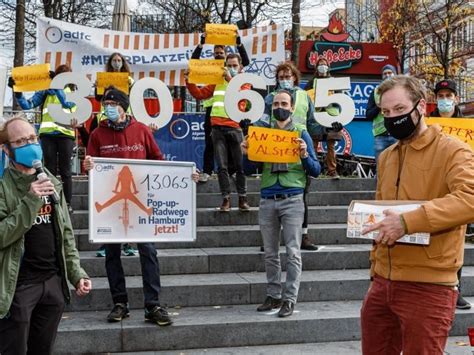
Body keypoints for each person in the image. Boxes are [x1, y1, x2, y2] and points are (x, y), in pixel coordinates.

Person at [360, 75, 474, 354]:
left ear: (421, 106)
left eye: (399, 110)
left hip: (429, 287)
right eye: (386, 112)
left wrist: (407, 221)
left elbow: (470, 197)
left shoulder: (453, 150)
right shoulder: (387, 156)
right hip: (382, 282)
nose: (392, 118)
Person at [84, 88, 198, 326]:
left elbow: (159, 161)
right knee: (112, 254)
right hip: (111, 207)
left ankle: (152, 304)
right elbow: (92, 170)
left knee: (148, 251)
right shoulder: (97, 134)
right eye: (106, 103)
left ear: (124, 106)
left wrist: (186, 176)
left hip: (143, 200)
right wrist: (87, 166)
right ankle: (120, 303)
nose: (109, 107)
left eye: (113, 103)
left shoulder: (141, 130)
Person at [0, 115, 91, 354]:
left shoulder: (51, 181)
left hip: (52, 283)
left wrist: (75, 273)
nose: (30, 145)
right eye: (20, 142)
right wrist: (30, 201)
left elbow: (65, 233)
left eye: (32, 138)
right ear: (6, 149)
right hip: (17, 286)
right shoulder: (2, 188)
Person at [241, 90, 321, 317]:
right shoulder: (262, 135)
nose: (280, 107)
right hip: (267, 198)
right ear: (271, 107)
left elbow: (316, 170)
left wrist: (305, 155)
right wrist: (246, 154)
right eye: (276, 103)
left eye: (284, 103)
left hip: (293, 198)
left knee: (293, 252)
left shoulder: (301, 133)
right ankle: (273, 295)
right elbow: (249, 170)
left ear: (292, 107)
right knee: (270, 252)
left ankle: (289, 299)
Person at [256, 61, 328, 250]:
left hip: (299, 144)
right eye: (281, 77)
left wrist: (326, 130)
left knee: (301, 194)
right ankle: (270, 239)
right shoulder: (271, 98)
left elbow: (312, 122)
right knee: (273, 191)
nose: (284, 80)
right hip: (275, 146)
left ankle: (303, 236)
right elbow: (263, 121)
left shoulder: (304, 96)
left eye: (287, 77)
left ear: (295, 77)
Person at [186, 53, 250, 212]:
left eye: (235, 65)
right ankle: (226, 199)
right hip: (217, 128)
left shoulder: (244, 83)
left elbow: (244, 97)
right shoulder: (216, 82)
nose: (231, 68)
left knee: (239, 166)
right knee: (222, 166)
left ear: (240, 67)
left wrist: (229, 78)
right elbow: (199, 94)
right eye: (229, 65)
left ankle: (242, 198)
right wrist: (189, 80)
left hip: (235, 127)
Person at [10, 64, 76, 213]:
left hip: (65, 134)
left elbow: (67, 105)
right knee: (48, 170)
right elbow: (28, 105)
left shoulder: (72, 91)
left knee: (66, 171)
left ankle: (68, 203)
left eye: (66, 76)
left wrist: (57, 88)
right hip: (47, 135)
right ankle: (51, 201)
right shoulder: (46, 91)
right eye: (60, 76)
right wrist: (18, 92)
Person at [429, 79, 470, 310]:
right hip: (433, 183)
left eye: (449, 95)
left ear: (456, 98)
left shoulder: (467, 126)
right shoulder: (427, 123)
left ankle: (455, 289)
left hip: (458, 188)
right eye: (441, 95)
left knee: (456, 243)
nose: (445, 99)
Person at [191, 33, 250, 183]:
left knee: (233, 145)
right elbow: (194, 63)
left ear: (224, 55)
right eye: (216, 53)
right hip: (213, 110)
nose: (218, 55)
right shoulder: (212, 68)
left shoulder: (234, 74)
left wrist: (238, 44)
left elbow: (245, 62)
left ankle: (233, 172)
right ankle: (208, 170)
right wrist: (201, 44)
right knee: (210, 143)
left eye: (220, 53)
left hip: (233, 114)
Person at [304, 57, 344, 178]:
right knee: (313, 144)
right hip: (315, 117)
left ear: (328, 67)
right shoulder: (311, 83)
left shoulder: (333, 82)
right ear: (316, 68)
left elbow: (340, 99)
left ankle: (332, 171)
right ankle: (313, 169)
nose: (322, 66)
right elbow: (306, 99)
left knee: (331, 144)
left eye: (324, 64)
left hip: (330, 116)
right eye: (320, 64)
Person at [365, 64, 398, 162]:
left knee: (398, 167)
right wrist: (378, 107)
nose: (387, 75)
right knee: (380, 167)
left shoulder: (401, 91)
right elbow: (368, 115)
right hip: (381, 136)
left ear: (395, 74)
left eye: (390, 73)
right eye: (385, 74)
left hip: (397, 134)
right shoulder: (375, 92)